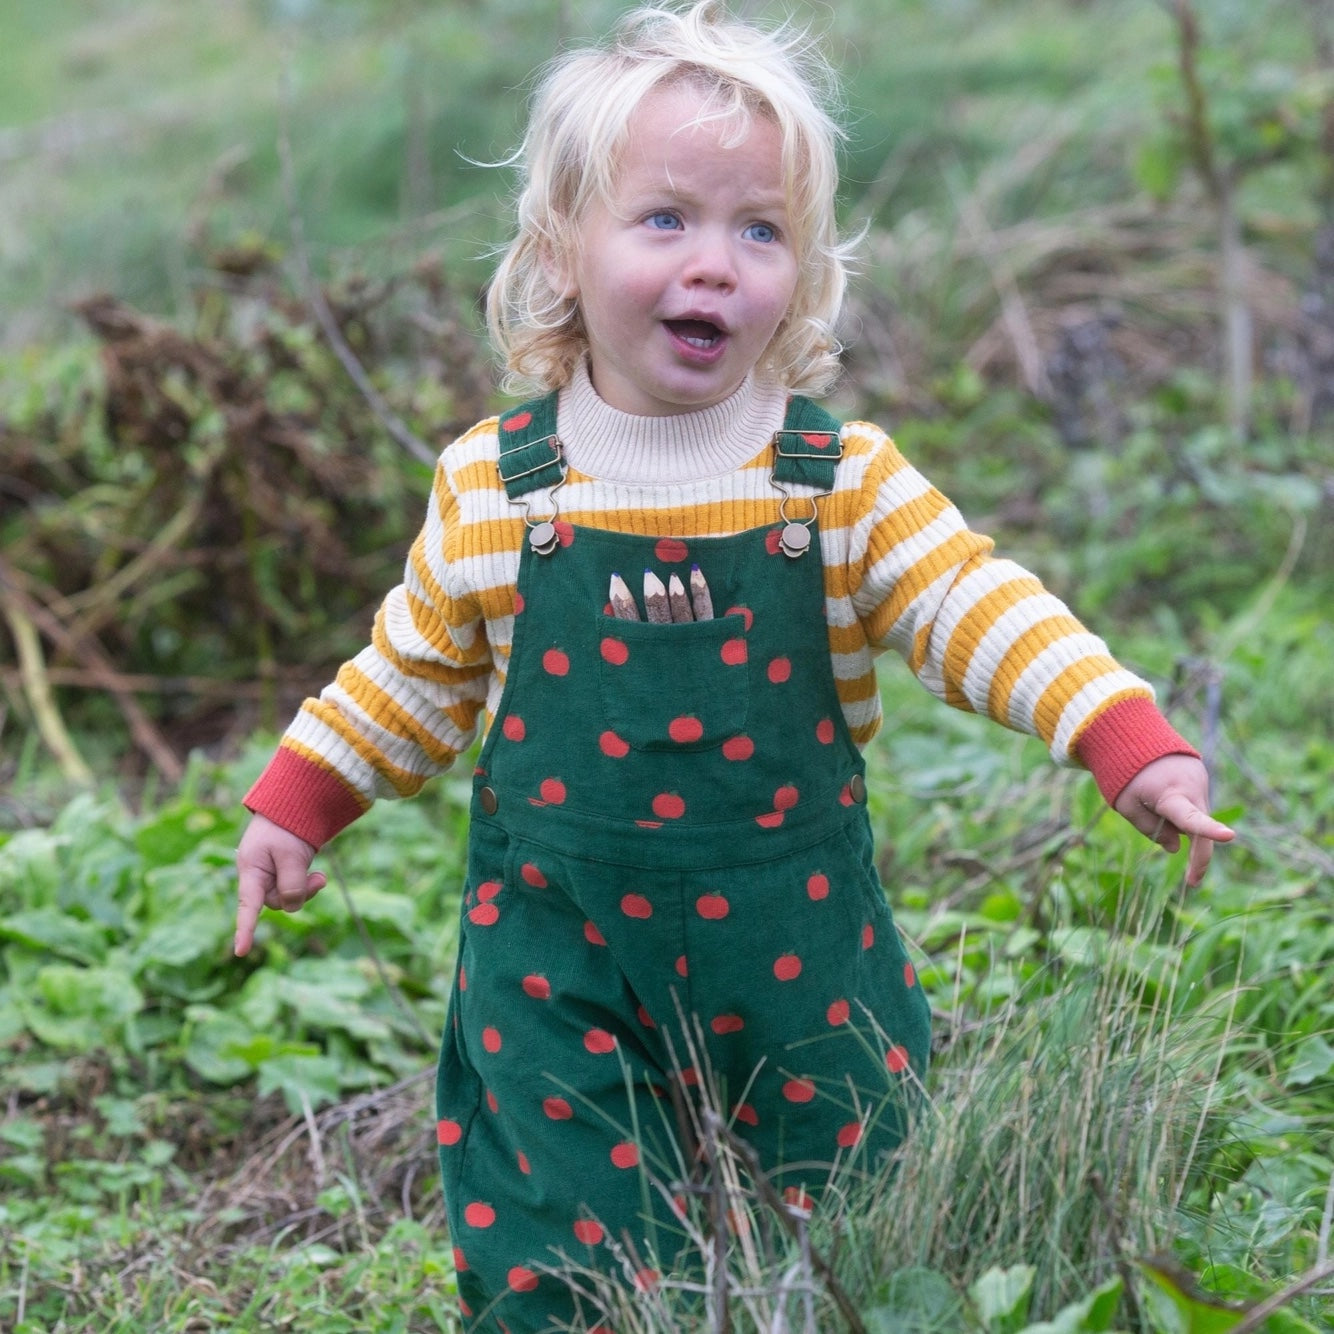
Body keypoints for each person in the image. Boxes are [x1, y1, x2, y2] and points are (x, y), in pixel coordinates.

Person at [234, 3, 1234, 1328]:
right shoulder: (494, 482)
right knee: (555, 1227)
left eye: (758, 229)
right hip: (556, 946)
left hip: (796, 936)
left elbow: (972, 602)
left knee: (869, 1204)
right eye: (664, 220)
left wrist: (1122, 734)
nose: (714, 263)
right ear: (560, 251)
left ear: (803, 270)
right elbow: (413, 671)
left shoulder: (832, 481)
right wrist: (299, 799)